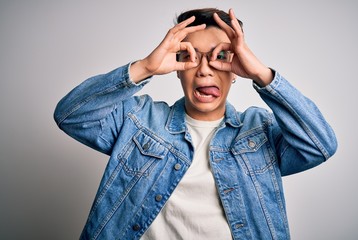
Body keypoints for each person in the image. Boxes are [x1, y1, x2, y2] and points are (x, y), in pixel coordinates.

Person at [54, 8, 337, 240]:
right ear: (176, 68)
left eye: (220, 56)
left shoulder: (259, 131)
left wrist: (262, 74)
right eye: (190, 57)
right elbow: (71, 115)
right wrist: (145, 67)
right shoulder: (139, 121)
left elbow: (320, 145)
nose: (204, 69)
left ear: (237, 67)